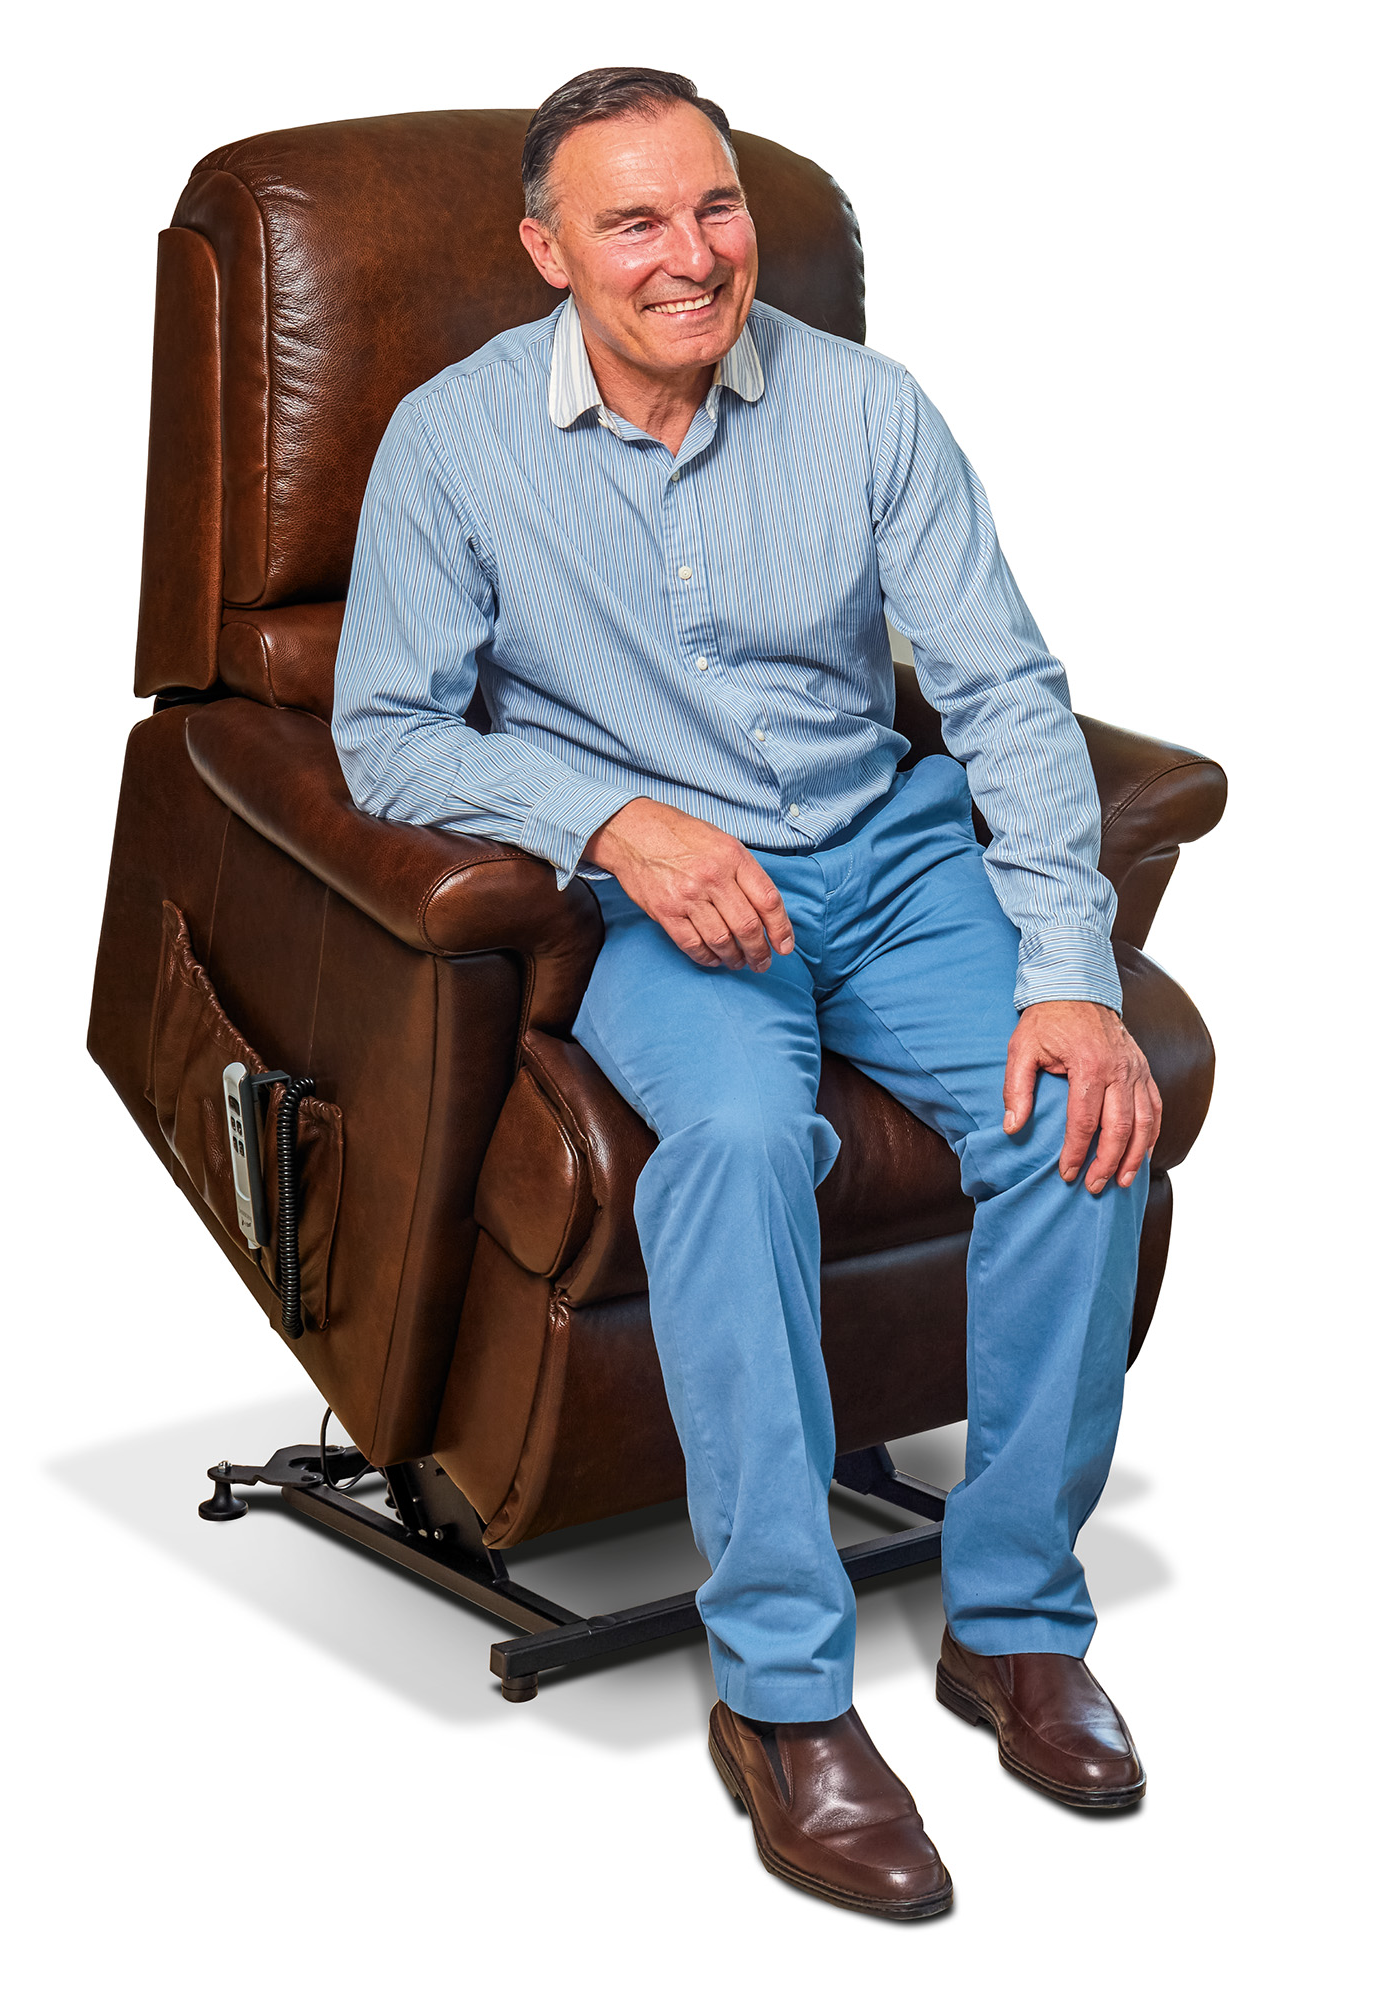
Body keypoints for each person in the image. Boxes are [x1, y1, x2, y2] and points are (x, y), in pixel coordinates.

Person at [333, 67, 1162, 1920]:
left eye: (714, 207)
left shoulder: (867, 409)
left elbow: (1007, 693)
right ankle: (782, 1693)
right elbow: (385, 731)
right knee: (727, 1145)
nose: (693, 256)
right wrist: (612, 823)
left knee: (1079, 1120)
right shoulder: (451, 444)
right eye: (631, 221)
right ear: (545, 250)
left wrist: (1069, 971)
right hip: (665, 907)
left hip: (891, 860)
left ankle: (1014, 1623)